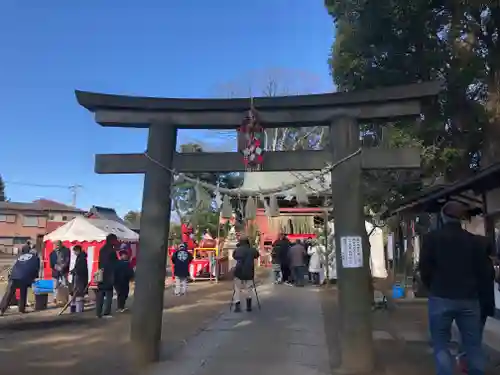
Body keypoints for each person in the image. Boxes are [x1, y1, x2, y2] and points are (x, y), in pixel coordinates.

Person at [420, 201, 490, 375]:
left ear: (443, 217)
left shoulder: (431, 239)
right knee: (473, 345)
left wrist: (432, 286)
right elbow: (484, 273)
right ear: (461, 219)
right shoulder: (475, 242)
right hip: (469, 299)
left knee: (441, 343)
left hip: (440, 296)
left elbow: (425, 268)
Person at [0, 248, 40, 315]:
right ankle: (21, 310)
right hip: (23, 277)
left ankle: (1, 310)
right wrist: (33, 279)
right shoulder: (36, 258)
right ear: (36, 254)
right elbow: (36, 269)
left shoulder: (21, 256)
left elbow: (14, 265)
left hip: (14, 275)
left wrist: (10, 275)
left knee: (8, 293)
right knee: (22, 293)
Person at [232, 236, 259, 312]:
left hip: (239, 272)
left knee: (237, 289)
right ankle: (248, 306)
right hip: (249, 272)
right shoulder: (252, 250)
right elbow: (257, 255)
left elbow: (234, 256)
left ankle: (237, 305)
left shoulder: (237, 250)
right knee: (248, 289)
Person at [95, 233, 118, 318]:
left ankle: (98, 313)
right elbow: (115, 263)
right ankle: (106, 312)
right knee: (109, 294)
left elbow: (100, 263)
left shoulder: (102, 249)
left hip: (100, 273)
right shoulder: (111, 251)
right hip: (109, 275)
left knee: (100, 294)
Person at [69, 245, 88, 313]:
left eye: (75, 251)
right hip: (77, 278)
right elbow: (77, 267)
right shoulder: (79, 257)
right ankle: (74, 309)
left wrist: (75, 271)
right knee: (74, 293)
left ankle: (79, 309)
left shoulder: (82, 259)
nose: (74, 253)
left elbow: (82, 269)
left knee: (79, 293)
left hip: (80, 279)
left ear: (78, 251)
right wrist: (73, 271)